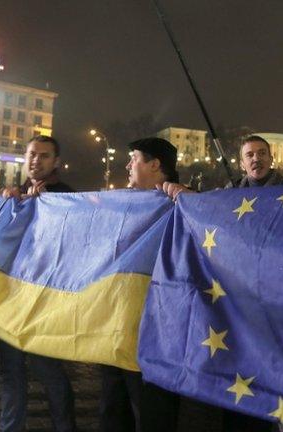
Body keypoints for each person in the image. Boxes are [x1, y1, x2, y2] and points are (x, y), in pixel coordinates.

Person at [98, 137, 180, 432]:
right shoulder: (123, 203)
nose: (128, 164)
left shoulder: (182, 204)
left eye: (134, 158)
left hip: (155, 334)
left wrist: (190, 198)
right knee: (112, 409)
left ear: (155, 164)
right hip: (117, 327)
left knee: (151, 413)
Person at [0, 135, 78, 432]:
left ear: (56, 162)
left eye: (44, 156)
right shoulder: (11, 195)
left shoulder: (67, 197)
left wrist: (44, 206)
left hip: (46, 300)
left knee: (50, 372)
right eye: (32, 154)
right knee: (11, 372)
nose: (36, 160)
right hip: (11, 299)